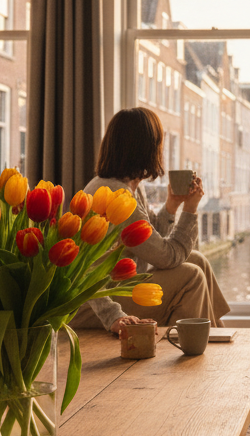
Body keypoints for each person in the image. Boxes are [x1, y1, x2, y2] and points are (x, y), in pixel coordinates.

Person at [80, 107, 230, 334]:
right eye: (159, 145)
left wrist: (172, 205)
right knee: (191, 276)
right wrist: (190, 211)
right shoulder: (114, 193)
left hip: (116, 290)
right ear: (146, 149)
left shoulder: (126, 186)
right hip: (101, 302)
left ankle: (216, 335)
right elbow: (167, 257)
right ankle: (182, 350)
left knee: (197, 260)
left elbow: (149, 242)